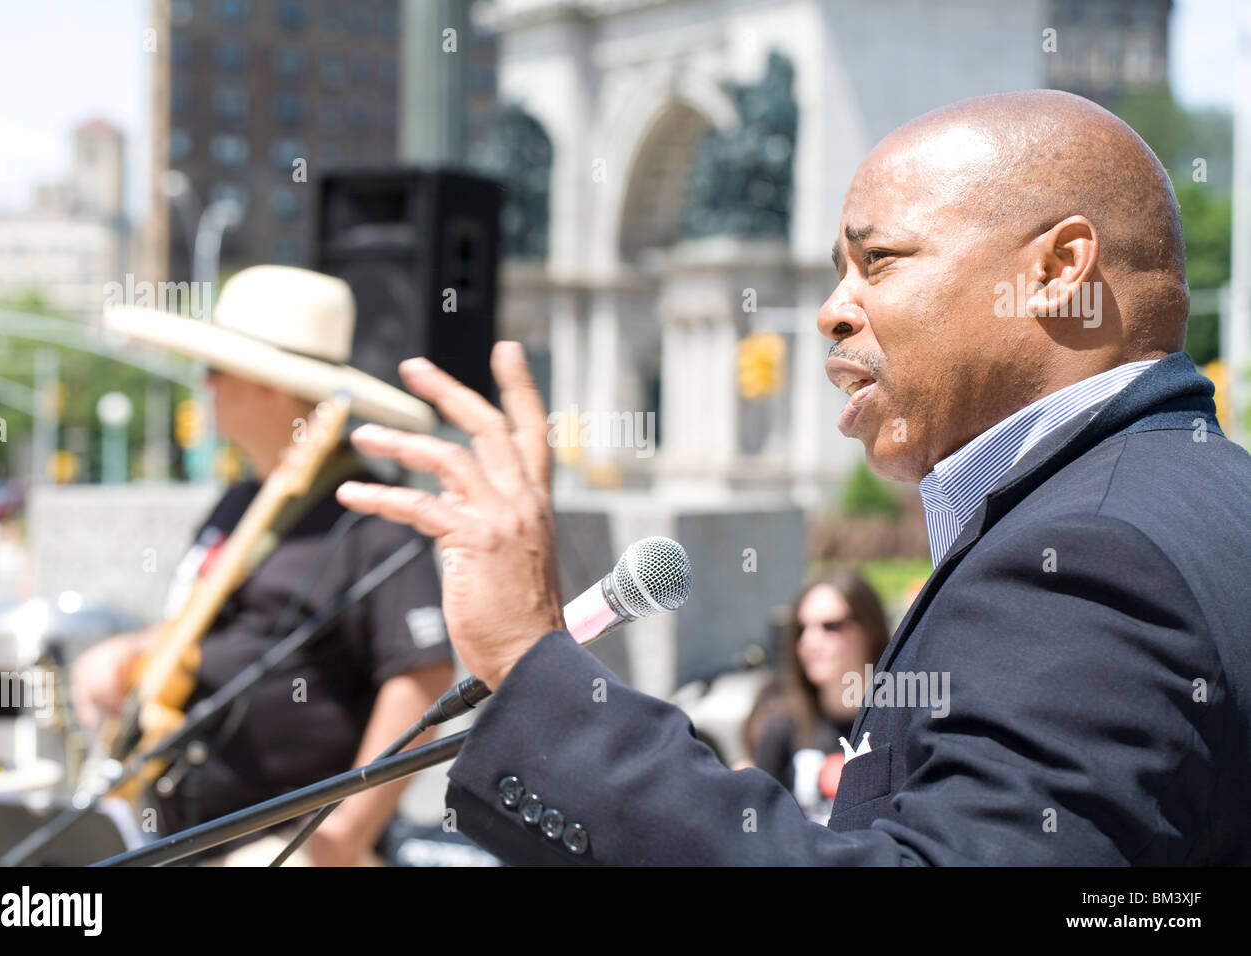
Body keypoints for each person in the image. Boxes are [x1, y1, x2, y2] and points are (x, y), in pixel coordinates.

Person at [336, 90, 1251, 864]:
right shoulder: (1191, 498)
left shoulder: (1086, 556)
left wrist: (531, 671)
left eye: (877, 261)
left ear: (1058, 270)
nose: (829, 313)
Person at [72, 266, 455, 866]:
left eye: (217, 370)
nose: (204, 383)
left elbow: (421, 676)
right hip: (186, 833)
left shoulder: (373, 518)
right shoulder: (240, 499)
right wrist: (130, 652)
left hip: (292, 844)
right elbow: (217, 629)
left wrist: (342, 836)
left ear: (269, 386)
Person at [745, 571, 891, 823]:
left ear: (870, 629)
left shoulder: (898, 720)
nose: (809, 641)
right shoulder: (779, 718)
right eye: (801, 628)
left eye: (831, 626)